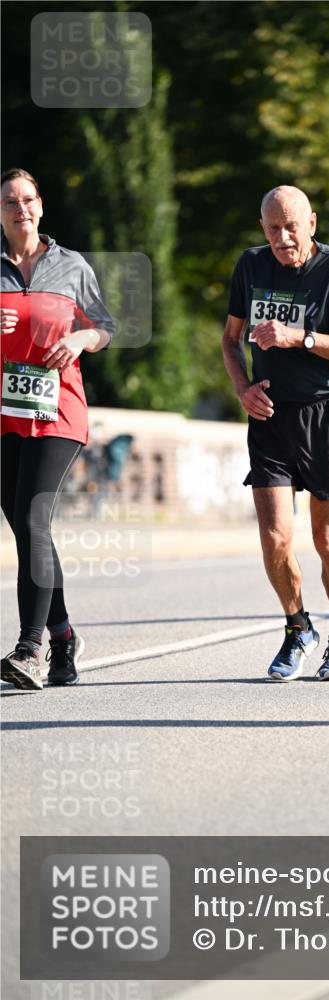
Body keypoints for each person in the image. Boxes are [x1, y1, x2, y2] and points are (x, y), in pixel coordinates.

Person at [222, 185, 329, 681]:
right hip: (270, 414)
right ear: (262, 229)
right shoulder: (250, 265)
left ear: (312, 223)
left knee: (328, 540)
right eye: (273, 229)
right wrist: (242, 388)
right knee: (275, 537)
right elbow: (230, 339)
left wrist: (299, 338)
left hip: (328, 413)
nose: (283, 237)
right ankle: (297, 627)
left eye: (291, 226)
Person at [1, 168, 115, 691]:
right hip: (5, 413)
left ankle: (30, 649)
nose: (20, 208)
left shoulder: (71, 266)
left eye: (27, 199)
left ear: (41, 206)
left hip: (57, 411)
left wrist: (81, 339)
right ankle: (64, 636)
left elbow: (104, 327)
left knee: (32, 519)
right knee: (29, 532)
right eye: (9, 202)